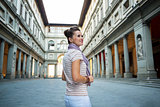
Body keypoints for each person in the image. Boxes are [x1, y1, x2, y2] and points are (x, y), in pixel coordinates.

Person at [62, 26, 94, 107]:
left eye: (82, 36)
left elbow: (63, 77)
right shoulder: (76, 53)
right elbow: (76, 78)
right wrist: (88, 79)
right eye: (78, 36)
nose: (81, 38)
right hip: (80, 98)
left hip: (68, 97)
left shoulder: (66, 54)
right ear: (70, 39)